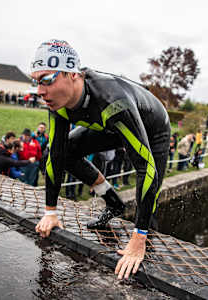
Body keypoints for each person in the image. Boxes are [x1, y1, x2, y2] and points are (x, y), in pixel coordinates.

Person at [30, 39, 170, 280]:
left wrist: (137, 239)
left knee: (149, 189)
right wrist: (50, 212)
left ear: (72, 74)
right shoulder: (58, 102)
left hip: (153, 128)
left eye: (47, 80)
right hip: (108, 125)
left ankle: (146, 246)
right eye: (36, 82)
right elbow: (56, 155)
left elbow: (145, 168)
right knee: (60, 153)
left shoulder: (111, 98)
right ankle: (113, 202)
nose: (40, 92)